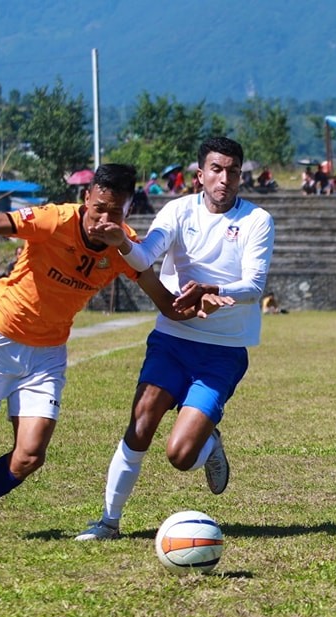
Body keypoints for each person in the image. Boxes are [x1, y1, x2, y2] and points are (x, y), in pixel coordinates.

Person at [0, 163, 231, 543]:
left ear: (127, 211)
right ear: (86, 199)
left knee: (30, 456)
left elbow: (165, 303)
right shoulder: (54, 220)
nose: (103, 219)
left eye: (114, 212)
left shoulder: (124, 246)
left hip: (47, 353)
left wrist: (199, 302)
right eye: (98, 207)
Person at [76, 137, 275, 541]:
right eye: (216, 169)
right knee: (141, 422)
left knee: (180, 456)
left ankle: (208, 441)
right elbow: (145, 257)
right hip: (172, 338)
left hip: (222, 351)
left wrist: (214, 292)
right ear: (200, 175)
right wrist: (122, 243)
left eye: (233, 170)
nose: (225, 178)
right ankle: (109, 522)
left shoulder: (257, 220)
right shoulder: (177, 211)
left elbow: (254, 284)